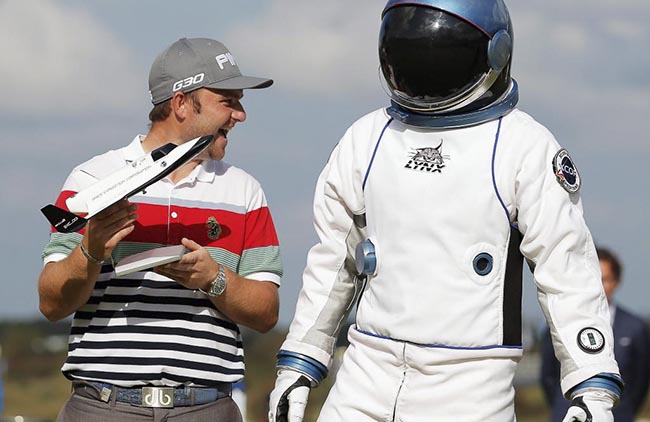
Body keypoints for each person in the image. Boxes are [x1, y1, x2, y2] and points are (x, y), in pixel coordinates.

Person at [268, 1, 623, 421]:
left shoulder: (522, 145)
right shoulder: (368, 138)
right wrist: (300, 362)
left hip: (471, 383)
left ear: (494, 52)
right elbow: (332, 262)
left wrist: (591, 385)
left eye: (439, 50)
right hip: (365, 371)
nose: (424, 64)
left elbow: (565, 270)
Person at [38, 37, 282, 422]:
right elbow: (52, 303)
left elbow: (266, 313)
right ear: (181, 103)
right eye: (228, 101)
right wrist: (91, 250)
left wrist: (213, 278)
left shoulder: (245, 191)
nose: (240, 115)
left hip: (208, 408)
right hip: (103, 407)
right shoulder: (91, 178)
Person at [541, 247, 650, 422]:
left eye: (605, 279)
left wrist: (622, 408)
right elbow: (548, 376)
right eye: (593, 279)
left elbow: (641, 381)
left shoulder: (635, 327)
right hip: (567, 414)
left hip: (618, 415)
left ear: (616, 282)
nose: (598, 286)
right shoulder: (560, 323)